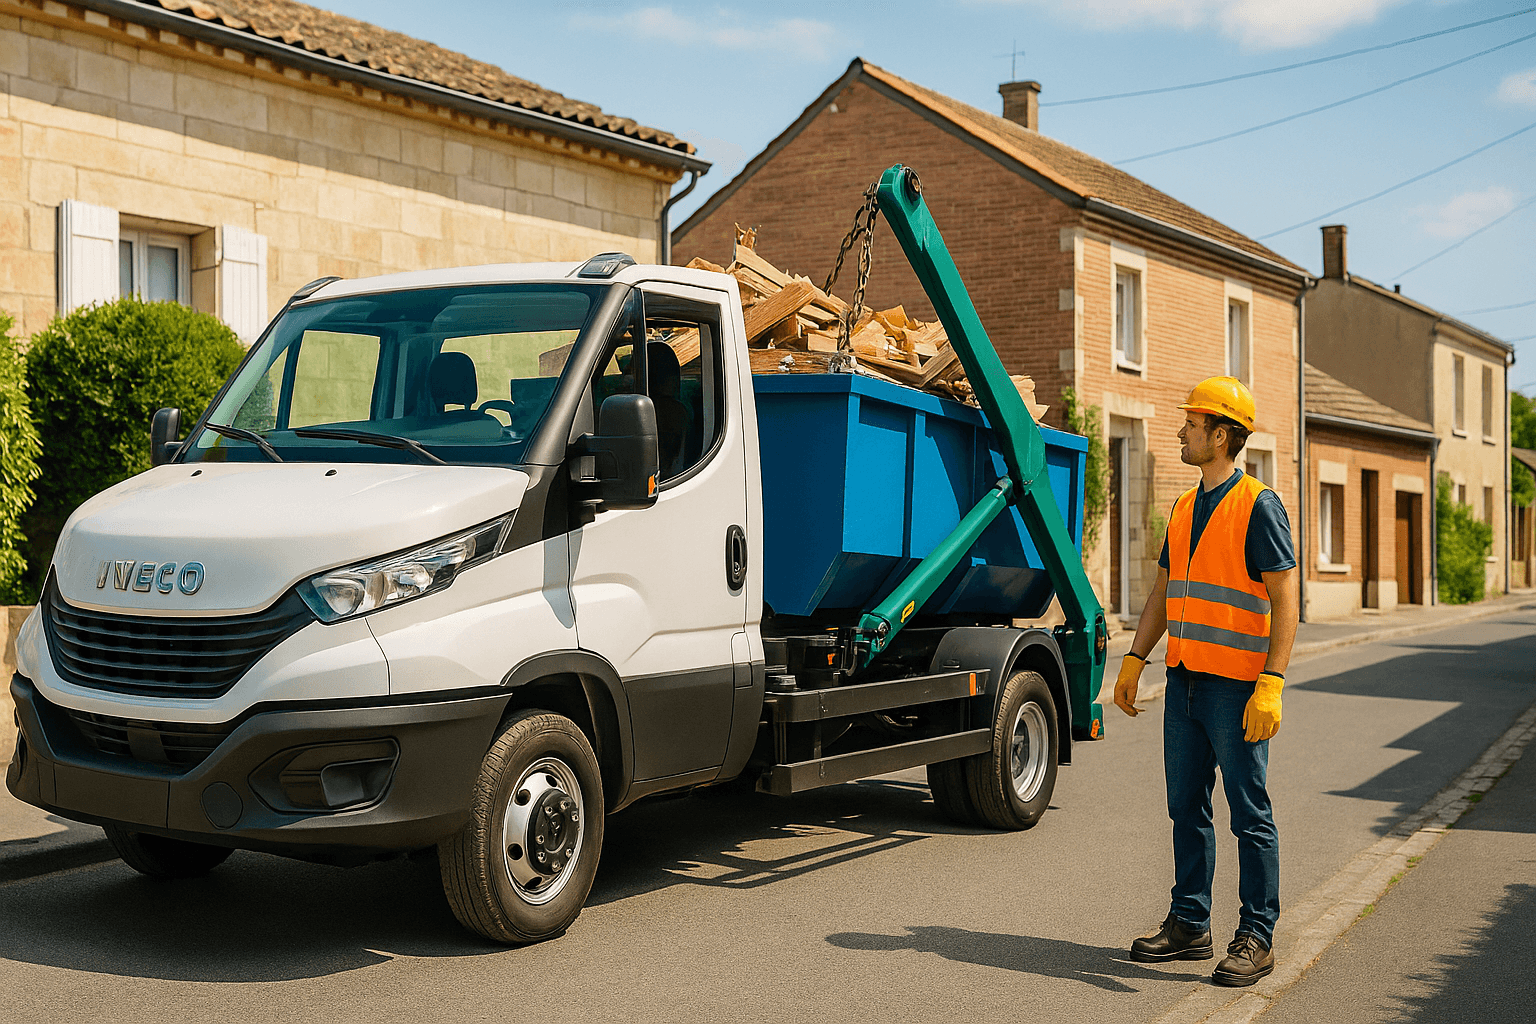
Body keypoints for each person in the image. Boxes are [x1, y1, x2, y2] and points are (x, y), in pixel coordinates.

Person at [1113, 376, 1298, 988]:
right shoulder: (1184, 506)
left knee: (1249, 814)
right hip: (1186, 683)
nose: (1179, 432)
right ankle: (1191, 923)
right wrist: (1136, 658)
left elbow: (1285, 597)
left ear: (1221, 436)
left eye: (1191, 425)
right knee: (1184, 808)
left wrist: (1271, 680)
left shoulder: (1259, 505)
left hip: (1237, 689)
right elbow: (1166, 591)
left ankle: (1257, 935)